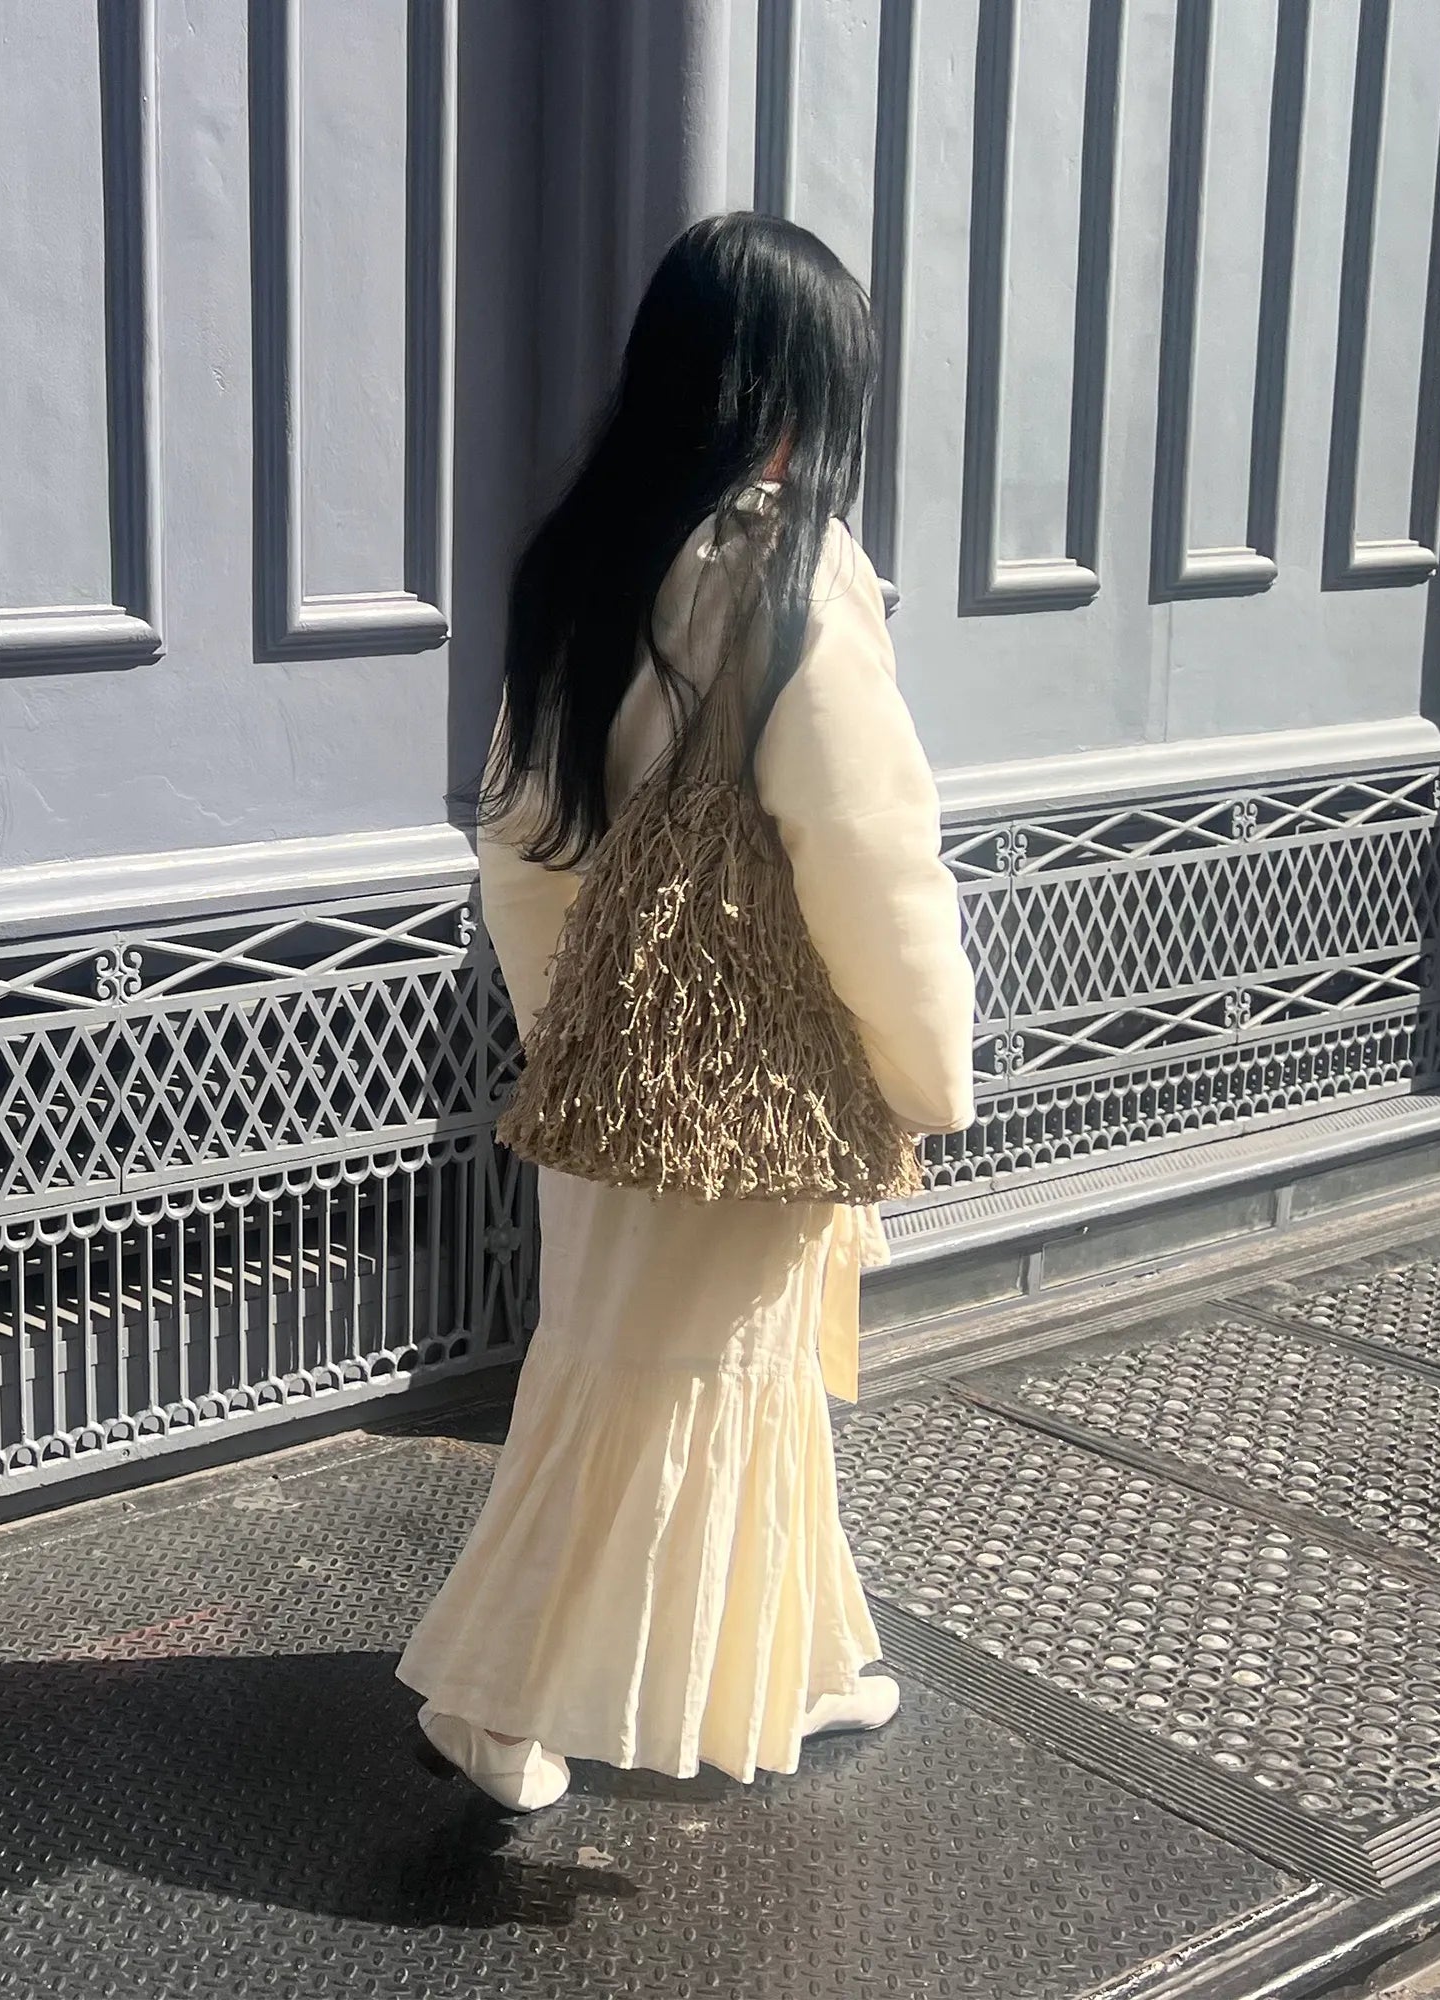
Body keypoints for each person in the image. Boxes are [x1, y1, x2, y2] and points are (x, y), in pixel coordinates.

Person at [396, 212, 977, 1810]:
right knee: (668, 1386)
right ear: (797, 391)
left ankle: (796, 1660)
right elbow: (872, 852)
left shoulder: (581, 557)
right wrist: (928, 1066)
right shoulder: (794, 575)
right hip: (752, 1071)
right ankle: (490, 1691)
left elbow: (521, 835)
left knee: (683, 1368)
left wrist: (571, 1030)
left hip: (610, 1067)